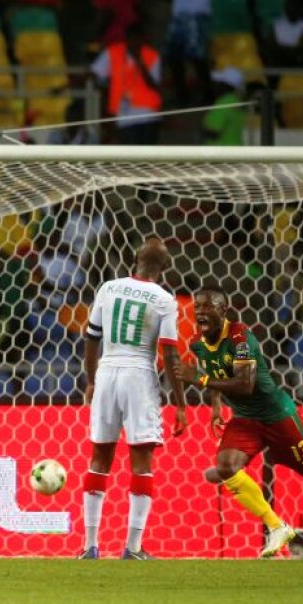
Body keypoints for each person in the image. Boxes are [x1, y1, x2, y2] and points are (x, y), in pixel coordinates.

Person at [175, 285, 303, 561]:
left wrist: (199, 380)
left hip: (277, 415)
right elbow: (216, 370)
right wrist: (217, 406)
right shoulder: (198, 343)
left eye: (208, 306)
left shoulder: (240, 337)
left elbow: (245, 384)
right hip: (244, 419)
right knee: (226, 467)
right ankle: (277, 526)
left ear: (223, 310)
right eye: (197, 307)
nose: (200, 312)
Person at [80, 238, 188, 560]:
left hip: (107, 370)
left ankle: (89, 547)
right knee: (141, 462)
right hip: (140, 374)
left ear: (134, 261)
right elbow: (169, 352)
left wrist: (90, 380)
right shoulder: (165, 299)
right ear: (164, 269)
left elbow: (91, 338)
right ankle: (134, 547)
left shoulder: (109, 288)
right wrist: (180, 403)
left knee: (99, 457)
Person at [91, 24, 162, 145]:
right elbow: (94, 73)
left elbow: (154, 85)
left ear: (142, 39)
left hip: (148, 116)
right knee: (130, 156)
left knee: (148, 157)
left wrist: (140, 63)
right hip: (124, 116)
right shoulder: (113, 52)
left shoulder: (151, 55)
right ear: (126, 39)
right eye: (131, 38)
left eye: (137, 39)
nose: (134, 42)